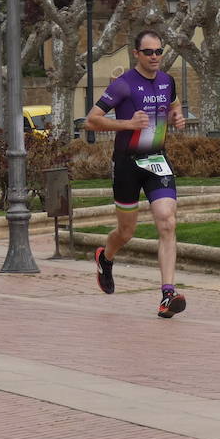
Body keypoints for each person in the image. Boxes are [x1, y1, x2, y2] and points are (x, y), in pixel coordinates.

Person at [85, 29, 187, 319]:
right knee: (126, 232)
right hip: (127, 164)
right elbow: (91, 121)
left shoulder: (168, 81)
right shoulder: (123, 85)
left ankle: (168, 293)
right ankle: (105, 257)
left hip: (157, 160)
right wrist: (128, 124)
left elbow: (174, 104)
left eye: (159, 52)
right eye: (149, 52)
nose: (155, 57)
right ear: (136, 54)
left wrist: (176, 116)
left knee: (167, 221)